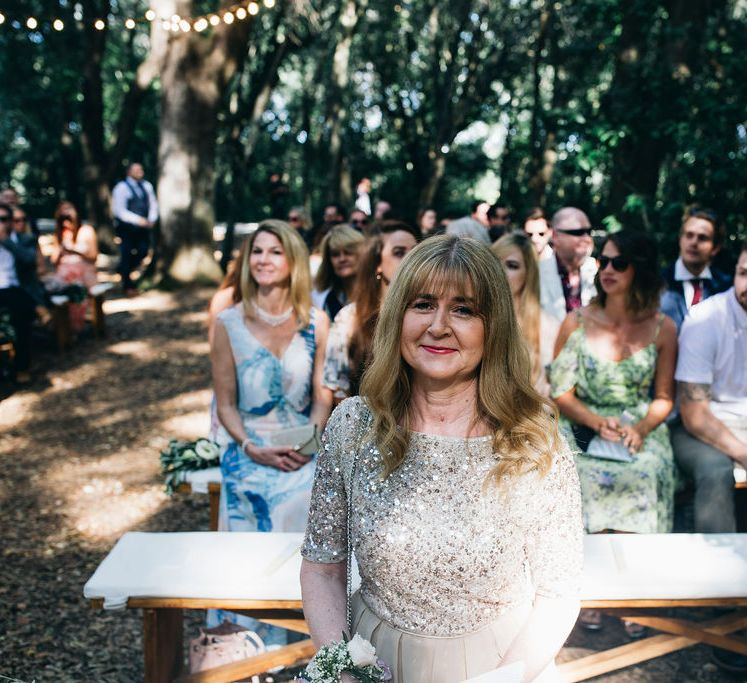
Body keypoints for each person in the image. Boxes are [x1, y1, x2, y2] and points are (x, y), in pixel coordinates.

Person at [301, 235, 583, 683]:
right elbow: (322, 567)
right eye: (423, 304)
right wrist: (342, 668)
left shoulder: (533, 441)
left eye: (464, 309)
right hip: (372, 659)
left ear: (494, 326)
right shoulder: (353, 426)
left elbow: (558, 593)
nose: (438, 325)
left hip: (502, 665)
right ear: (398, 316)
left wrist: (505, 678)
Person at [210, 219, 333, 642]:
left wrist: (309, 441)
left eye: (275, 251)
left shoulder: (317, 321)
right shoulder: (227, 322)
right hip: (248, 450)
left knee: (307, 498)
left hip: (303, 446)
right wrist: (249, 446)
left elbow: (322, 396)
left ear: (293, 260)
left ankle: (303, 640)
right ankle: (245, 640)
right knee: (249, 526)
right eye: (257, 251)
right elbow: (225, 402)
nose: (263, 259)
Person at [550, 230, 677, 635]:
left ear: (640, 269)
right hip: (585, 421)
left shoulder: (663, 327)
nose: (607, 269)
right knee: (580, 475)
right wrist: (594, 422)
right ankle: (589, 591)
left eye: (618, 263)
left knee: (646, 471)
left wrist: (640, 428)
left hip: (638, 426)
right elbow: (560, 394)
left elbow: (664, 398)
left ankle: (635, 593)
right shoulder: (577, 322)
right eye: (603, 261)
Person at [671, 241, 747, 534]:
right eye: (743, 273)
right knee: (716, 471)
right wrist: (743, 453)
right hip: (699, 427)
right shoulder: (706, 319)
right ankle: (721, 570)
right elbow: (695, 414)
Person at [323, 220, 419, 403]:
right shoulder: (350, 318)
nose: (410, 260)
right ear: (377, 264)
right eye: (399, 252)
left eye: (415, 252)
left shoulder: (431, 317)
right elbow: (337, 387)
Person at [492, 232, 559, 396]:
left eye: (512, 266)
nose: (500, 271)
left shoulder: (547, 327)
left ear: (528, 274)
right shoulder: (470, 318)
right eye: (495, 263)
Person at [660, 206, 732, 330]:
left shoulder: (726, 287)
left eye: (702, 238)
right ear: (680, 239)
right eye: (689, 235)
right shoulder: (657, 282)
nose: (694, 243)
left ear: (715, 248)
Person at [539, 207, 598, 323]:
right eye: (578, 233)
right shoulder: (536, 274)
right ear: (556, 237)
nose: (587, 239)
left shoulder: (601, 272)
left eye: (589, 232)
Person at [0, 202, 37, 383]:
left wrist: (6, 242)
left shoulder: (23, 239)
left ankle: (22, 365)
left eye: (4, 219)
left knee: (22, 314)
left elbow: (30, 260)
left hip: (16, 288)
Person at [52, 201, 99, 333]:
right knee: (62, 283)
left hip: (85, 274)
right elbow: (54, 261)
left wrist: (74, 250)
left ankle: (73, 327)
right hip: (64, 275)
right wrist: (61, 248)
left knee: (75, 286)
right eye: (63, 213)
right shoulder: (59, 234)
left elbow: (93, 257)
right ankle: (63, 329)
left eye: (69, 210)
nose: (66, 215)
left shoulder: (86, 230)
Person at [112, 162, 158, 295]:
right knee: (126, 253)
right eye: (136, 169)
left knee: (143, 252)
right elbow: (119, 210)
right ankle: (128, 285)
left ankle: (122, 269)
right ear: (128, 172)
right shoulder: (121, 188)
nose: (140, 171)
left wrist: (151, 219)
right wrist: (138, 220)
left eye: (141, 169)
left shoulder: (146, 186)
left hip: (143, 228)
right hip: (127, 228)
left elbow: (153, 204)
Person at [311, 225, 364, 322]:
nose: (342, 259)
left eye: (348, 252)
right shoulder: (323, 298)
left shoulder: (377, 291)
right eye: (335, 254)